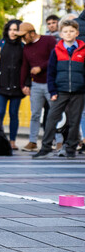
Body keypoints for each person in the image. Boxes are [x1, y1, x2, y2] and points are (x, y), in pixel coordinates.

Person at [33, 19, 85, 159]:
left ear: (77, 33)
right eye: (66, 31)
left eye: (71, 31)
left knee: (74, 121)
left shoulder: (83, 50)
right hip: (60, 91)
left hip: (78, 92)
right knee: (51, 118)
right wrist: (53, 91)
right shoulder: (56, 51)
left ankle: (70, 149)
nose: (68, 34)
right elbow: (51, 73)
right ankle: (45, 148)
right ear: (61, 34)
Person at [17, 22, 57, 152]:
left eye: (24, 36)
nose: (23, 39)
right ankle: (32, 141)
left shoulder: (49, 40)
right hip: (36, 84)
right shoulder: (26, 48)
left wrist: (41, 67)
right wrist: (23, 84)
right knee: (35, 114)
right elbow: (25, 66)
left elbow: (56, 57)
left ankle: (59, 141)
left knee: (55, 113)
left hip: (51, 83)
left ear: (32, 33)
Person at [0, 19, 24, 150]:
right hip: (0, 86)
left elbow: (25, 67)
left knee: (14, 114)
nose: (13, 32)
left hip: (16, 87)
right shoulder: (0, 44)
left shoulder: (22, 46)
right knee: (0, 113)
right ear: (7, 31)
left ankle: (13, 141)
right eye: (11, 29)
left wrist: (25, 84)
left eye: (16, 30)